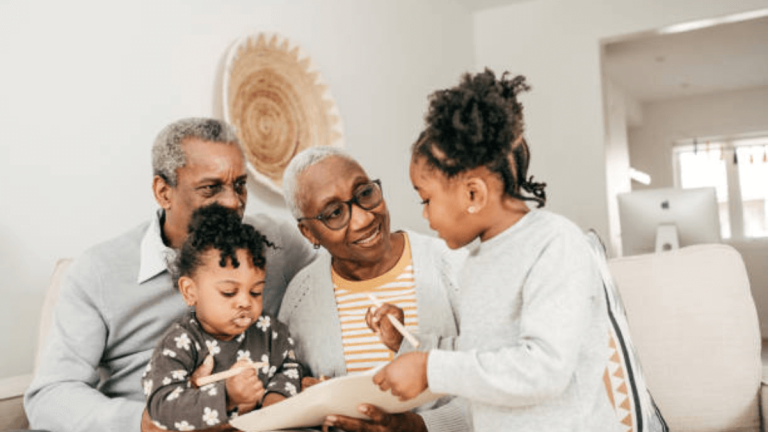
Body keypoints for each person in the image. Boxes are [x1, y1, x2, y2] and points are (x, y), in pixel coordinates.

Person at [24, 118, 315, 432]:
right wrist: (147, 423)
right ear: (163, 192)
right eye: (211, 188)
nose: (233, 202)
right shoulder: (97, 271)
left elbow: (336, 290)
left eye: (240, 185)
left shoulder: (278, 245)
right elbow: (50, 396)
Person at [372, 69, 622, 431]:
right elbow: (484, 355)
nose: (423, 215)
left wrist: (430, 369)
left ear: (473, 194)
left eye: (426, 199)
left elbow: (544, 369)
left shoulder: (555, 244)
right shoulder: (476, 261)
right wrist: (411, 347)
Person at [278, 146, 471, 432]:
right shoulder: (299, 301)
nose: (364, 219)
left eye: (365, 193)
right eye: (334, 213)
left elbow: (501, 387)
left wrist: (420, 426)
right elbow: (288, 401)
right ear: (308, 232)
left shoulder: (452, 266)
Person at [143, 204, 301, 430]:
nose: (246, 302)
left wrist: (275, 399)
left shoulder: (269, 331)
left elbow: (288, 366)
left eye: (256, 291)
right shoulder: (180, 343)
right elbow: (161, 406)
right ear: (190, 291)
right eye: (229, 292)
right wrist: (227, 396)